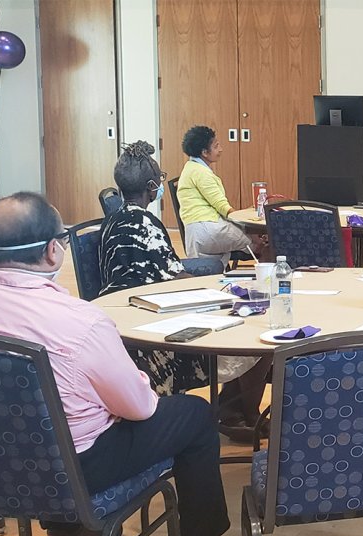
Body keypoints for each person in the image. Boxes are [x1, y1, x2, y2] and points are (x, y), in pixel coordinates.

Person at [0, 192, 240, 536]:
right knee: (193, 415)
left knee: (42, 426)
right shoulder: (80, 322)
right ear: (53, 250)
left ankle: (66, 535)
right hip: (75, 467)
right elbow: (140, 408)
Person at [101, 141, 271, 442]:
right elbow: (176, 279)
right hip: (162, 340)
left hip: (127, 320)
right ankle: (243, 414)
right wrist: (223, 289)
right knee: (258, 331)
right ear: (152, 187)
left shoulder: (112, 221)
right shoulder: (146, 223)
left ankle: (235, 411)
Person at [177, 125, 266, 263]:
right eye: (216, 146)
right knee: (261, 242)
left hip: (197, 232)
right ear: (205, 152)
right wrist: (244, 219)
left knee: (250, 231)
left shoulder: (191, 168)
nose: (221, 149)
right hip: (208, 230)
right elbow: (222, 206)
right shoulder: (201, 173)